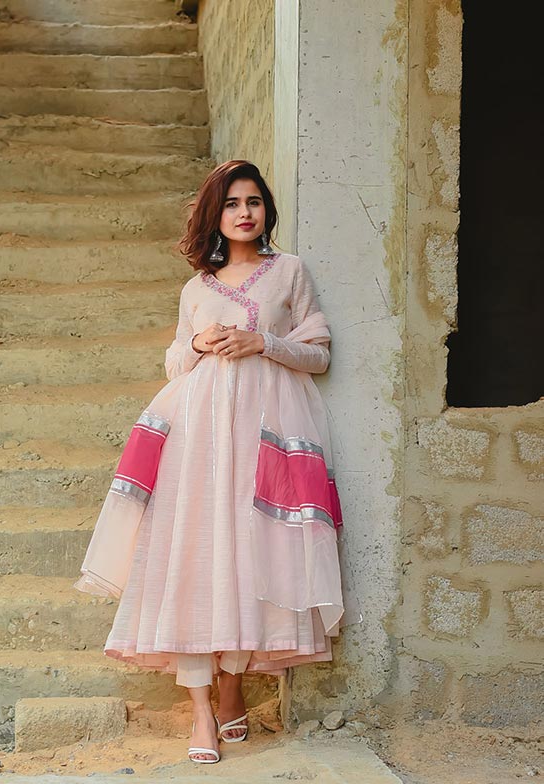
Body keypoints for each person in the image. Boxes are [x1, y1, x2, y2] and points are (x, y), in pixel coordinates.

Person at [73, 160, 362, 763]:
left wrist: (263, 342)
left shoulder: (289, 272)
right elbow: (175, 362)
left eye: (253, 202)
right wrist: (197, 343)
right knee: (195, 557)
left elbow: (318, 354)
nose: (244, 213)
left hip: (263, 436)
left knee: (249, 556)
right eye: (232, 204)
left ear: (266, 210)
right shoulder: (197, 289)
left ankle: (233, 687)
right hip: (198, 439)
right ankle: (201, 710)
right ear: (216, 214)